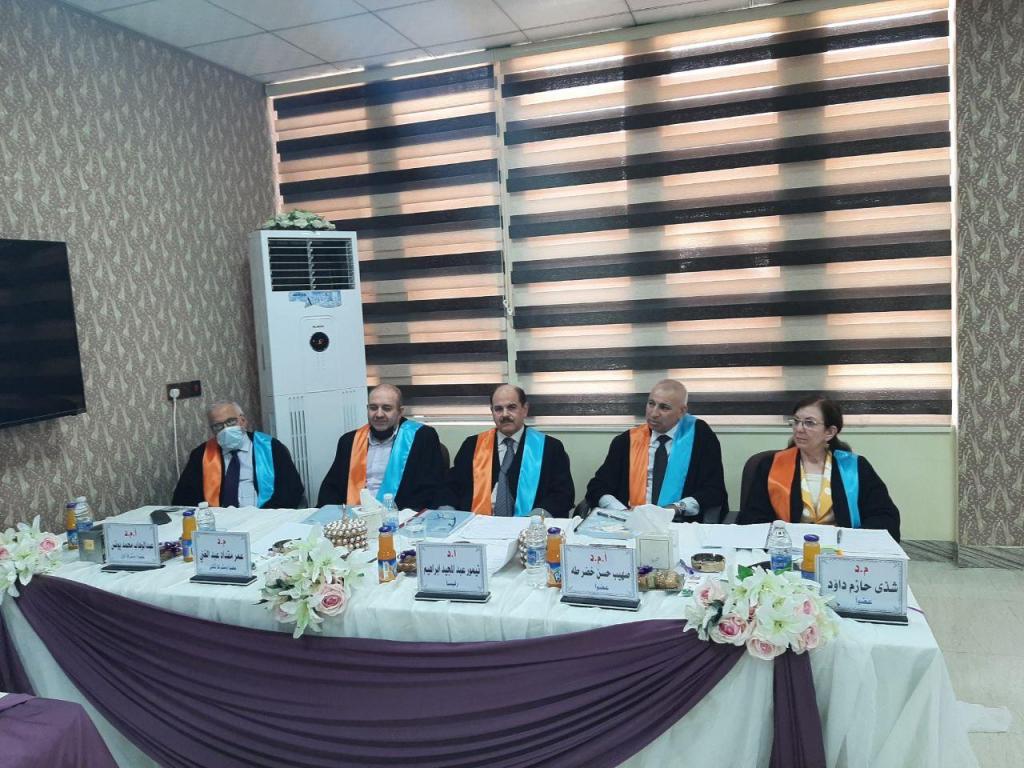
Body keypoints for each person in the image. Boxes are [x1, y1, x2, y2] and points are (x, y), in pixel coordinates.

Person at [738, 395, 901, 540]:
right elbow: (753, 518)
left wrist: (853, 541)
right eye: (796, 421)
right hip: (786, 550)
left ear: (829, 432)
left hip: (841, 551)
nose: (799, 429)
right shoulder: (771, 465)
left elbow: (884, 516)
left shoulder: (855, 467)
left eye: (809, 423)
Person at [585, 379, 727, 522]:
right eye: (651, 404)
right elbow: (598, 486)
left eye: (664, 407)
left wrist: (676, 508)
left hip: (679, 522)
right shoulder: (626, 441)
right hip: (629, 522)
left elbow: (714, 490)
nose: (654, 413)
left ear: (682, 411)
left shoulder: (700, 438)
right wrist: (621, 511)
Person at [447, 384, 574, 516]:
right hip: (478, 523)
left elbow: (563, 493)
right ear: (492, 412)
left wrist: (537, 516)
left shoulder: (550, 448)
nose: (505, 414)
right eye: (498, 409)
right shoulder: (472, 446)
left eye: (512, 407)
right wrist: (447, 509)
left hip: (531, 524)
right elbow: (452, 486)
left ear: (525, 409)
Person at [317, 384, 447, 510]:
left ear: (400, 412)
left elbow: (430, 489)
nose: (379, 414)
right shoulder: (349, 441)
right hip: (356, 517)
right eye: (373, 408)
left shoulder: (422, 437)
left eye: (387, 408)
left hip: (400, 516)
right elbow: (332, 488)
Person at [172, 401, 304, 509]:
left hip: (264, 516)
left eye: (230, 422)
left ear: (243, 421)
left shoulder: (271, 447)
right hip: (219, 521)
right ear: (212, 430)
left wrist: (264, 516)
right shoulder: (201, 454)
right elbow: (183, 498)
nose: (226, 429)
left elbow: (292, 489)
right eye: (218, 426)